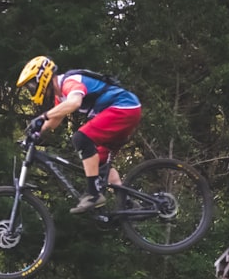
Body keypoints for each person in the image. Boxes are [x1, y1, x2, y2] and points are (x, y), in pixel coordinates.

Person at [16, 55, 142, 213]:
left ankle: (93, 195)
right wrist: (33, 133)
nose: (32, 89)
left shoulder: (69, 82)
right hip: (125, 111)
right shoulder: (59, 96)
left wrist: (42, 116)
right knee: (100, 162)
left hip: (123, 108)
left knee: (81, 138)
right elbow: (54, 121)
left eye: (32, 85)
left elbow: (74, 103)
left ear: (43, 76)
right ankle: (127, 203)